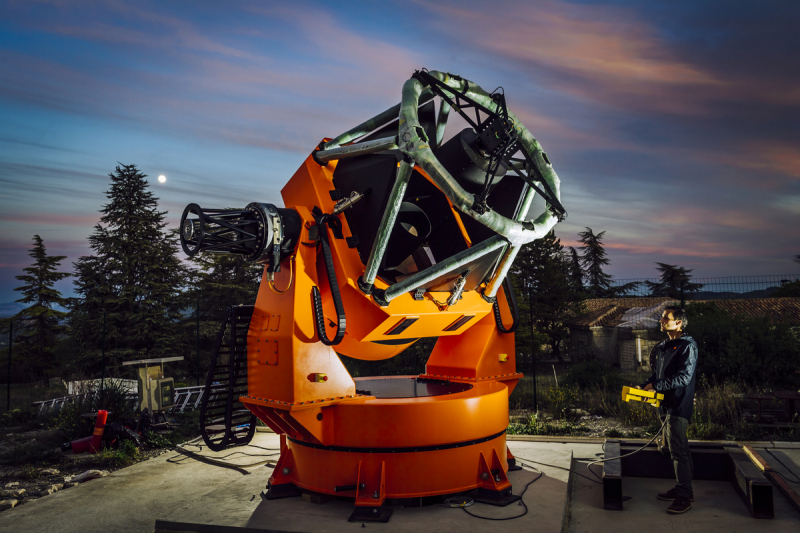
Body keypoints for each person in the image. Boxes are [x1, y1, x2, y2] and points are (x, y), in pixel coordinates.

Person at [636, 306, 698, 514]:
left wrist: (657, 386)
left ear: (679, 322)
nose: (661, 321)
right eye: (662, 318)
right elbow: (658, 376)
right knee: (674, 448)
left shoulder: (687, 346)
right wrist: (645, 385)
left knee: (679, 450)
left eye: (666, 318)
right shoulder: (663, 346)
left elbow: (684, 378)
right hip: (664, 404)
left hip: (679, 405)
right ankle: (683, 489)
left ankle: (684, 497)